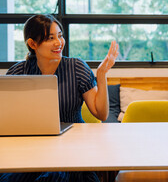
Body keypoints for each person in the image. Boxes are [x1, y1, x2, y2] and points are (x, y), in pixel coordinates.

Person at [0, 14, 119, 182]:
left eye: (60, 36)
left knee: (54, 176)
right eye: (50, 38)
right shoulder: (18, 72)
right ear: (32, 44)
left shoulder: (76, 67)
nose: (59, 43)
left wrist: (101, 74)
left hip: (72, 150)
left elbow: (101, 114)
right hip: (31, 152)